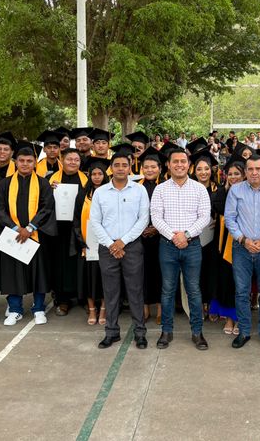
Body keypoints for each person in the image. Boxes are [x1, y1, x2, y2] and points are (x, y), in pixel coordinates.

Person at [150, 146, 212, 350]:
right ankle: (166, 331)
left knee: (193, 290)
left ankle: (197, 332)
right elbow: (156, 218)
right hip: (167, 246)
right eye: (175, 161)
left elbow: (204, 216)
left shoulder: (199, 189)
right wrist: (174, 237)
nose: (179, 165)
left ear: (189, 165)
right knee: (168, 290)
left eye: (183, 161)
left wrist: (185, 236)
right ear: (168, 165)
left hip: (192, 245)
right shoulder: (160, 189)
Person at [89, 147, 151, 350]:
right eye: (117, 165)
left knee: (135, 291)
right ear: (111, 168)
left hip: (131, 247)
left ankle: (140, 333)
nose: (121, 168)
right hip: (107, 248)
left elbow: (143, 219)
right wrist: (111, 244)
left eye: (125, 165)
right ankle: (111, 332)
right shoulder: (100, 192)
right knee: (111, 291)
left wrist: (123, 242)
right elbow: (95, 222)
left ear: (130, 168)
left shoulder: (139, 190)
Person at [0, 143, 56, 326]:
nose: (25, 164)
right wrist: (15, 228)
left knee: (39, 275)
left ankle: (38, 308)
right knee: (13, 274)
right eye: (21, 160)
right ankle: (15, 309)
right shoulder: (4, 184)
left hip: (36, 236)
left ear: (35, 162)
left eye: (29, 161)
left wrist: (29, 228)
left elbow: (47, 208)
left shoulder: (43, 183)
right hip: (12, 237)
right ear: (16, 162)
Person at [223, 155, 260, 350]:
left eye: (258, 169)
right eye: (250, 169)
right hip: (241, 248)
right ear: (245, 171)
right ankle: (245, 331)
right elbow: (230, 218)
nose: (254, 172)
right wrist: (243, 239)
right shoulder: (235, 191)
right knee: (241, 292)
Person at [47, 148, 88, 316]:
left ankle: (84, 297)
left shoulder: (86, 180)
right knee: (61, 265)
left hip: (80, 229)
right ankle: (63, 300)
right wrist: (49, 189)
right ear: (62, 160)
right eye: (69, 159)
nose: (72, 162)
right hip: (59, 230)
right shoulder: (51, 179)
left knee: (81, 264)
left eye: (76, 160)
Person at [73, 157, 110, 325]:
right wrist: (81, 241)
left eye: (99, 173)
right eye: (93, 174)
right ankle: (92, 309)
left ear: (104, 175)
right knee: (88, 277)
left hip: (106, 243)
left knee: (105, 277)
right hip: (87, 243)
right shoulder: (83, 195)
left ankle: (103, 308)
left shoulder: (110, 192)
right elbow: (75, 219)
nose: (96, 177)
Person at [210, 156, 243, 334]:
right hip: (223, 243)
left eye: (237, 173)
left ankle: (240, 318)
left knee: (241, 283)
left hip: (243, 242)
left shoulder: (248, 192)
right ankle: (230, 318)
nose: (233, 177)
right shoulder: (221, 193)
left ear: (244, 175)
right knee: (227, 281)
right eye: (230, 174)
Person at [191, 150, 221, 324]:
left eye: (206, 169)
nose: (203, 172)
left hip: (214, 238)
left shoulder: (219, 189)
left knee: (212, 271)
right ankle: (201, 304)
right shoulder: (189, 189)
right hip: (194, 237)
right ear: (194, 171)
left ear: (212, 170)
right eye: (199, 169)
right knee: (197, 272)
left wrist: (220, 222)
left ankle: (212, 305)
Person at [137, 147, 165, 324]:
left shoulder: (165, 187)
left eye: (153, 167)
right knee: (142, 272)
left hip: (162, 236)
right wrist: (141, 228)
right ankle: (145, 307)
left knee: (162, 272)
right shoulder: (135, 187)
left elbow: (172, 211)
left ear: (160, 168)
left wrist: (156, 227)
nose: (149, 170)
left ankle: (161, 309)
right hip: (140, 237)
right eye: (146, 167)